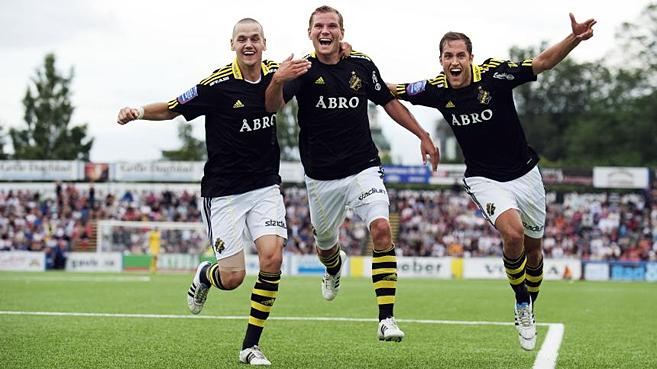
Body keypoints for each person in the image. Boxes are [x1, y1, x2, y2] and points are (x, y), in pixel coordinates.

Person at [388, 14, 596, 350]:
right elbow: (385, 91)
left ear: (470, 57)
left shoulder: (496, 75)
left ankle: (529, 302)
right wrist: (349, 65)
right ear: (440, 61)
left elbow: (542, 62)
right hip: (484, 177)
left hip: (525, 174)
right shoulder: (434, 89)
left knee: (534, 250)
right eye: (447, 56)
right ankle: (521, 303)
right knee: (512, 234)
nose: (454, 62)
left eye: (460, 55)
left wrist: (574, 38)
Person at [117, 18, 288, 365]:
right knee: (233, 278)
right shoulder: (217, 85)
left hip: (266, 187)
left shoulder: (277, 74)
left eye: (255, 38)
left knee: (272, 258)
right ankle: (205, 274)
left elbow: (320, 63)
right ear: (232, 45)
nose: (249, 44)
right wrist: (137, 111)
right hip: (223, 192)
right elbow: (172, 108)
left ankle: (250, 346)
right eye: (242, 39)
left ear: (265, 43)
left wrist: (341, 49)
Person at [265, 5, 439, 342]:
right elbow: (271, 107)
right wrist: (277, 79)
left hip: (363, 167)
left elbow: (389, 102)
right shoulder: (301, 70)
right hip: (320, 178)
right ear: (310, 33)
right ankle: (332, 268)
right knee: (325, 247)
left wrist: (422, 134)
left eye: (332, 26)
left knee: (382, 229)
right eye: (319, 26)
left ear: (342, 33)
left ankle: (386, 318)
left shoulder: (361, 64)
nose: (325, 31)